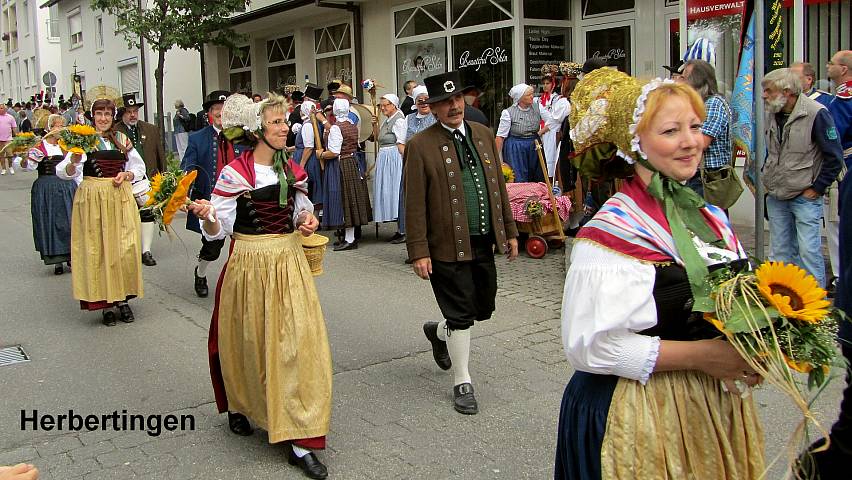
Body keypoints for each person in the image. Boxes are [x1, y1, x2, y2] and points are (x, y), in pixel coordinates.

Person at [555, 70, 763, 479]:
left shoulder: (710, 219)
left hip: (706, 403)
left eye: (696, 127)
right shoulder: (609, 236)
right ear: (636, 144)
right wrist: (707, 357)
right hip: (636, 410)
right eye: (671, 130)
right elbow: (589, 349)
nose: (692, 142)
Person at [186, 93, 332, 480]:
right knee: (250, 341)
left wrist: (308, 221)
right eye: (276, 123)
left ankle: (300, 440)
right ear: (257, 131)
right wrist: (208, 217)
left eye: (285, 121)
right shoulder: (235, 174)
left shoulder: (292, 170)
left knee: (298, 344)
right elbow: (219, 230)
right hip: (249, 263)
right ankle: (243, 405)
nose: (286, 128)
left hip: (288, 261)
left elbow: (303, 209)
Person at [405, 71, 519, 415]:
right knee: (461, 312)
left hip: (483, 239)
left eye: (457, 99)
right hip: (445, 244)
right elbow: (413, 203)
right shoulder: (420, 145)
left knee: (481, 307)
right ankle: (462, 380)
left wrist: (511, 230)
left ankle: (439, 333)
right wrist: (419, 250)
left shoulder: (483, 134)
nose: (454, 106)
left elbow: (498, 185)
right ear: (434, 108)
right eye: (445, 102)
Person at [56, 97, 146, 326]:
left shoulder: (122, 139)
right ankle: (104, 303)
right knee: (99, 249)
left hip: (120, 197)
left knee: (124, 247)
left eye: (107, 114)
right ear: (92, 116)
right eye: (99, 114)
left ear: (113, 116)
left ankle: (123, 300)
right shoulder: (84, 141)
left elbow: (138, 166)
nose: (103, 119)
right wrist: (74, 161)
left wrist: (127, 175)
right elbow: (63, 172)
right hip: (93, 198)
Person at [762, 67, 843, 288]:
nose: (764, 95)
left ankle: (815, 305)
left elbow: (834, 157)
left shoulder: (817, 112)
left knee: (808, 252)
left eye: (768, 90)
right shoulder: (772, 112)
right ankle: (781, 302)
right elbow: (771, 152)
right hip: (777, 195)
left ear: (786, 91)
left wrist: (817, 188)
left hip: (804, 195)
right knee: (779, 252)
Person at [180, 90, 239, 298]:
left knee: (242, 243)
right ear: (209, 114)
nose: (221, 114)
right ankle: (201, 273)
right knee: (212, 248)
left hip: (239, 200)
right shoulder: (198, 138)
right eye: (216, 110)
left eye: (225, 110)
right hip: (211, 201)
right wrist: (181, 193)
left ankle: (239, 282)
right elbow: (188, 167)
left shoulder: (242, 136)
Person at [14, 114, 76, 275]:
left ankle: (71, 255)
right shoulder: (40, 146)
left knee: (70, 221)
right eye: (56, 125)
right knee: (51, 221)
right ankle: (57, 260)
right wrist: (25, 159)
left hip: (67, 186)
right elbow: (29, 167)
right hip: (46, 187)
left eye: (62, 126)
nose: (60, 129)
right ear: (49, 128)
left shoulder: (67, 146)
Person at [116, 93, 167, 267]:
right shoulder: (115, 132)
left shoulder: (150, 129)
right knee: (127, 217)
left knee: (147, 214)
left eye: (135, 111)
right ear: (122, 113)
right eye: (129, 111)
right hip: (124, 182)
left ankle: (146, 250)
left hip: (148, 180)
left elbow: (161, 155)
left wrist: (163, 178)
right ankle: (128, 249)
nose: (133, 115)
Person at [315, 98, 372, 251]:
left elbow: (334, 152)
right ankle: (348, 237)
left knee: (345, 200)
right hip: (352, 163)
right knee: (349, 200)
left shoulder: (336, 128)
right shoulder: (352, 125)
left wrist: (320, 154)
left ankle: (350, 238)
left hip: (341, 165)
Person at [679, 59, 732, 200]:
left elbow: (702, 142)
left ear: (696, 82)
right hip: (698, 175)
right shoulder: (699, 104)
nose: (679, 81)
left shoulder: (713, 104)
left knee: (706, 220)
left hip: (708, 177)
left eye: (683, 78)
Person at [395, 85, 435, 249]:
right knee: (413, 205)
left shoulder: (437, 118)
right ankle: (416, 248)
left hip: (432, 166)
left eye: (426, 100)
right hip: (412, 167)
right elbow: (400, 143)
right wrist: (412, 158)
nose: (424, 103)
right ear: (415, 102)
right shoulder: (407, 119)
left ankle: (433, 246)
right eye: (420, 101)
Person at [495, 84, 545, 183]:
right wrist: (496, 159)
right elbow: (500, 136)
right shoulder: (508, 113)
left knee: (538, 176)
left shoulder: (538, 107)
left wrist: (540, 133)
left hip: (534, 145)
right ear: (520, 98)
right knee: (519, 176)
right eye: (528, 95)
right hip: (516, 147)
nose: (532, 96)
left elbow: (552, 121)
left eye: (532, 94)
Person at [373, 93, 406, 240]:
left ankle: (403, 229)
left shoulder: (399, 120)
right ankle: (400, 229)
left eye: (386, 105)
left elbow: (401, 142)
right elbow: (377, 138)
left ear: (394, 105)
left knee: (395, 191)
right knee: (388, 191)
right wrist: (375, 124)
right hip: (385, 157)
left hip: (393, 158)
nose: (383, 108)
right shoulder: (388, 120)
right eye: (381, 105)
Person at [538, 65, 570, 178]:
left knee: (550, 157)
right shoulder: (539, 99)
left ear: (553, 84)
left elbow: (554, 120)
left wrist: (542, 131)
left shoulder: (558, 99)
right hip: (541, 130)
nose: (545, 86)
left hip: (551, 133)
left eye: (548, 83)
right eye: (544, 83)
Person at [0, 103, 19, 175]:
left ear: (5, 109)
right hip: (0, 140)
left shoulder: (10, 117)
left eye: (1, 108)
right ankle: (3, 168)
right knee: (1, 155)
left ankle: (10, 167)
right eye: (0, 108)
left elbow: (14, 127)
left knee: (9, 154)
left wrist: (17, 136)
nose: (0, 109)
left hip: (8, 139)